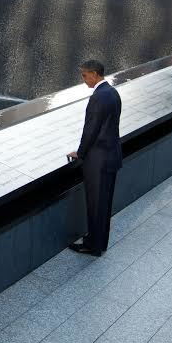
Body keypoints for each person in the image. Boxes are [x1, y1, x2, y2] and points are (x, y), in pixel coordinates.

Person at [67, 60, 122, 256]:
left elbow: (91, 130)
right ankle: (100, 242)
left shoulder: (98, 97)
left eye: (84, 75)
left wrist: (80, 153)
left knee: (96, 204)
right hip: (111, 157)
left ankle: (92, 245)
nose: (83, 80)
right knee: (104, 205)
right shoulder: (113, 93)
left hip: (98, 161)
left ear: (95, 74)